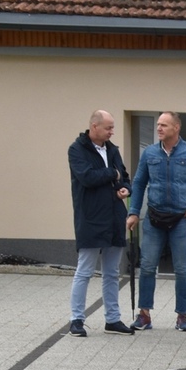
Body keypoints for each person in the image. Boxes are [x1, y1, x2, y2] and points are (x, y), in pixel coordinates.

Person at [126, 111, 186, 332]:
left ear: (176, 128)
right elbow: (139, 182)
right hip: (154, 219)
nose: (159, 128)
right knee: (146, 266)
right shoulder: (150, 153)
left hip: (182, 220)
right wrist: (133, 212)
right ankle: (144, 314)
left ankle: (182, 316)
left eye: (164, 125)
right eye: (158, 125)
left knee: (182, 269)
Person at [65, 110, 133, 336]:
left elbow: (122, 175)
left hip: (114, 216)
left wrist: (125, 187)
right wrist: (111, 174)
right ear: (94, 126)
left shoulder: (112, 149)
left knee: (112, 272)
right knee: (84, 270)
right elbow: (87, 177)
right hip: (91, 217)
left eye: (112, 128)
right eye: (108, 128)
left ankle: (112, 319)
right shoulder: (77, 149)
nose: (112, 132)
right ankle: (76, 319)